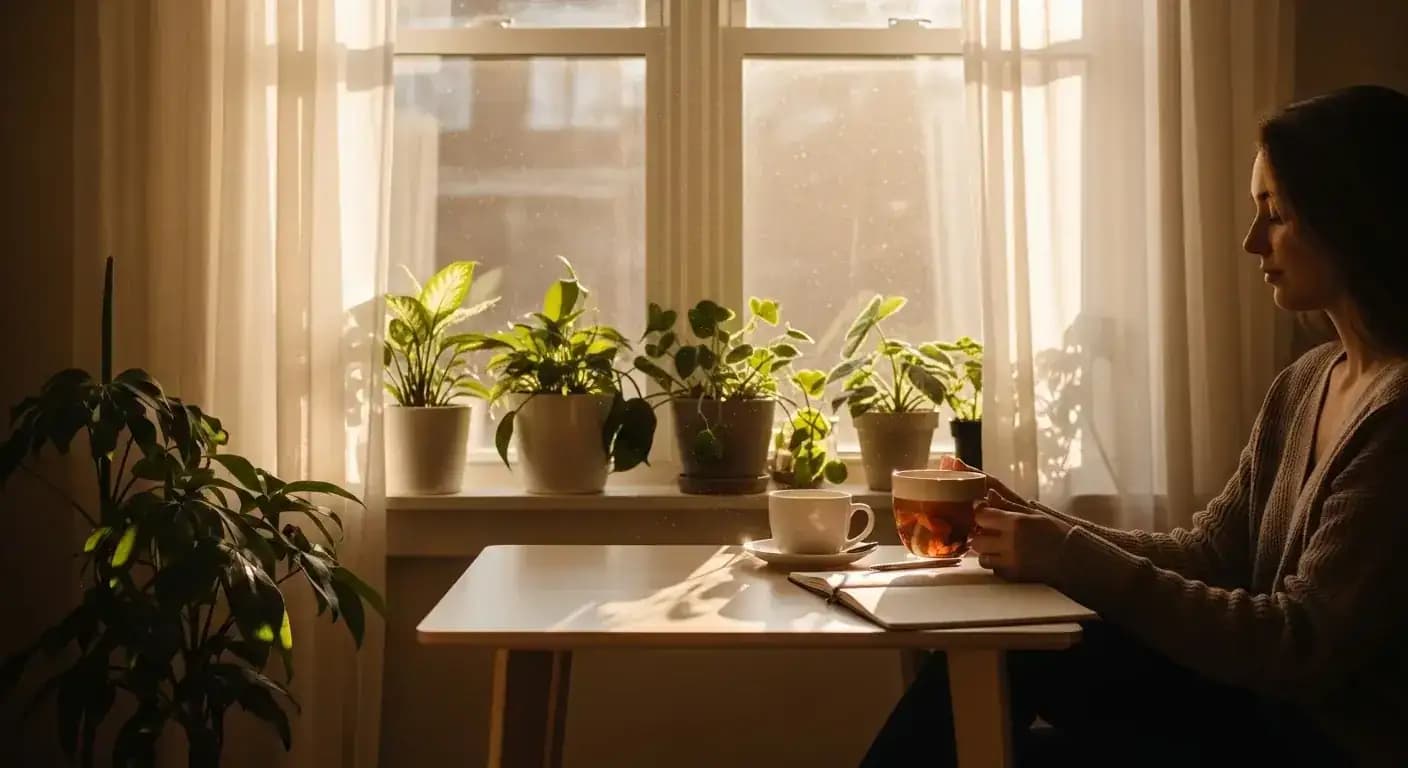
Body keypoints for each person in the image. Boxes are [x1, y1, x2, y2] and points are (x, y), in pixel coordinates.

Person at [862, 84, 1408, 767]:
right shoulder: (1307, 381)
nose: (1250, 241)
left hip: (1324, 743)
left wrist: (1068, 555)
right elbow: (1210, 552)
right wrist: (1032, 522)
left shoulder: (1396, 416)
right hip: (1262, 711)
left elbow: (1295, 645)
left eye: (1276, 213)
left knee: (998, 704)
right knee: (992, 691)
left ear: (1347, 218)